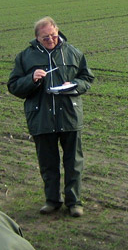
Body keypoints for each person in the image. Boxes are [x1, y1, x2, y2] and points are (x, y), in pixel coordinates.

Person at [7, 16, 94, 217]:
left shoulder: (73, 53)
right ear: (37, 38)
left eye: (53, 35)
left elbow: (86, 78)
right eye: (45, 37)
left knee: (74, 163)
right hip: (41, 117)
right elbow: (13, 86)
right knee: (48, 163)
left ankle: (74, 202)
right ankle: (52, 200)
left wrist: (73, 86)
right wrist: (31, 79)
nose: (51, 40)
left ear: (58, 31)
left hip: (69, 116)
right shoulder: (25, 57)